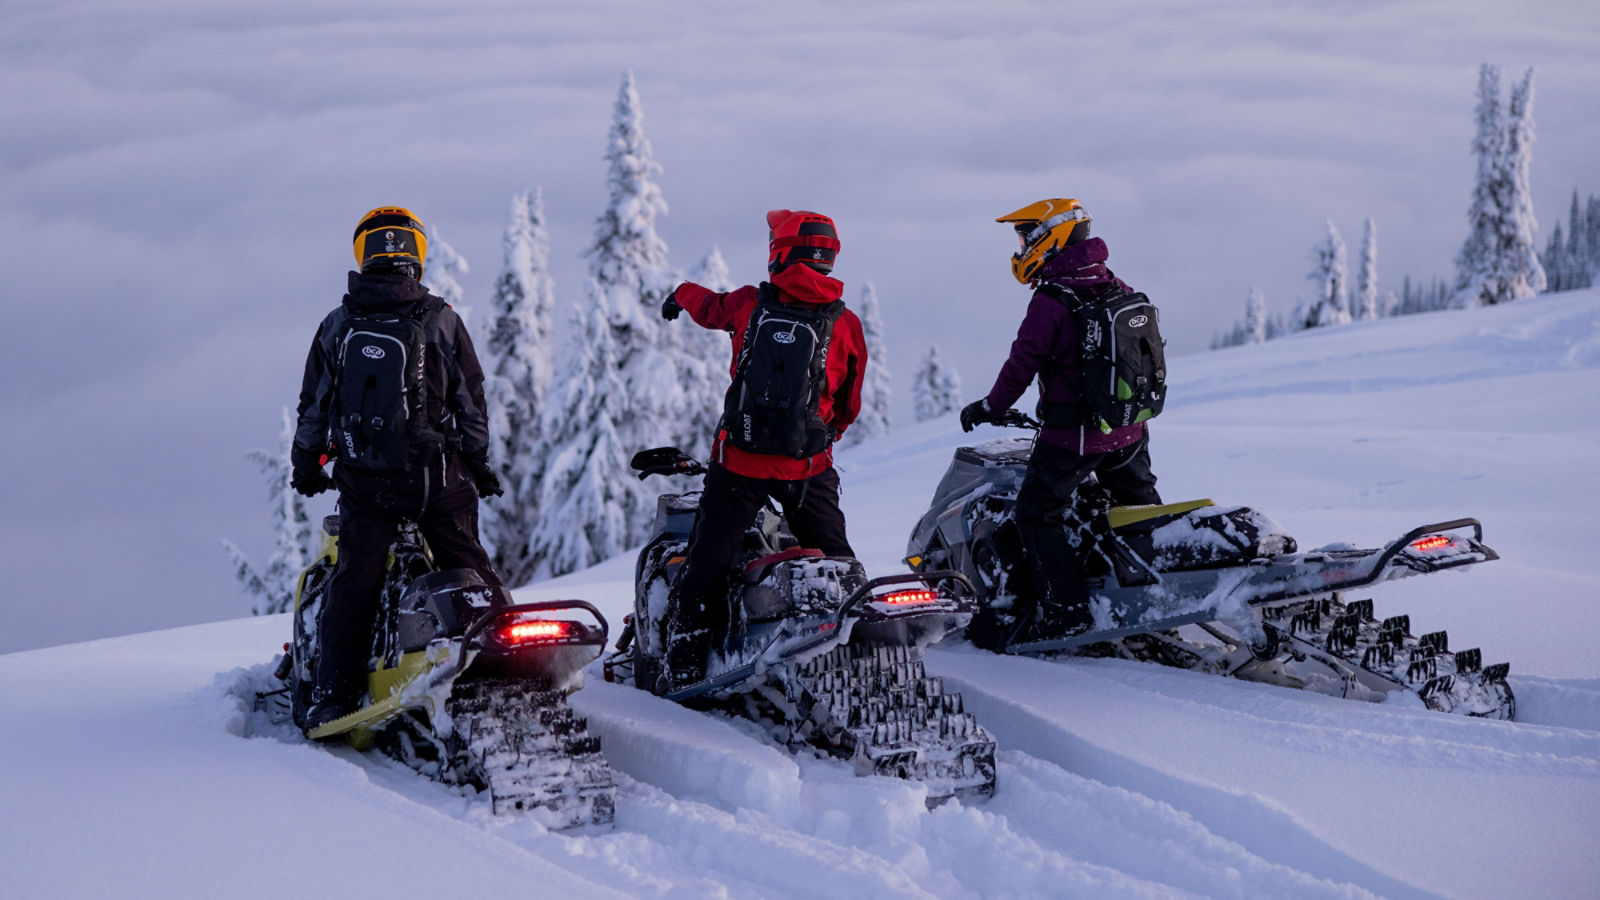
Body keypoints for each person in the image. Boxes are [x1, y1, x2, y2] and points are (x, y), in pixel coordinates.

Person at [290, 205, 505, 733]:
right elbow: (471, 403)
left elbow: (314, 407)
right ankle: (509, 655)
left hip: (369, 486)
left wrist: (306, 465)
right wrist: (478, 465)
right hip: (438, 483)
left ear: (365, 255)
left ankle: (334, 694)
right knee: (470, 564)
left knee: (354, 581)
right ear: (417, 256)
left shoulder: (337, 325)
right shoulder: (443, 320)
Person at [657, 209, 868, 690]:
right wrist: (819, 439)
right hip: (809, 468)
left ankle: (684, 660)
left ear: (780, 253)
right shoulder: (847, 323)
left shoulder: (750, 304)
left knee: (706, 561)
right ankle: (862, 649)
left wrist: (678, 294)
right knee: (838, 558)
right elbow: (850, 405)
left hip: (740, 464)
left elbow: (707, 305)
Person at [959, 198, 1162, 638]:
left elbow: (1021, 364)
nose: (1020, 246)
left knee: (1036, 515)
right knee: (1141, 512)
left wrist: (990, 407)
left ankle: (1066, 611)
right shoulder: (1112, 282)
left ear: (1048, 238)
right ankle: (1158, 592)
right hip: (1127, 431)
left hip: (1075, 438)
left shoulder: (1052, 299)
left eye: (1024, 237)